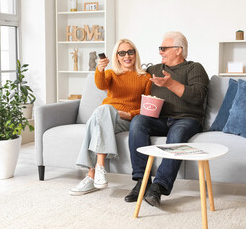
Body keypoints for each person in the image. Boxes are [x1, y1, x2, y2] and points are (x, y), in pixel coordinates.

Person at [124, 31, 209, 207]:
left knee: (177, 134)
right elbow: (131, 81)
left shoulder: (194, 68)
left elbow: (198, 96)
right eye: (160, 48)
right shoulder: (154, 70)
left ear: (178, 50)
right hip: (159, 118)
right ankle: (142, 181)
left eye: (163, 48)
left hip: (186, 118)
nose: (160, 52)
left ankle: (159, 186)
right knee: (138, 121)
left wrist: (170, 83)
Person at [69, 39, 152, 196]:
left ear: (135, 54)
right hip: (106, 116)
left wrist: (130, 114)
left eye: (130, 52)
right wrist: (100, 68)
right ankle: (97, 172)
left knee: (97, 116)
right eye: (122, 53)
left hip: (125, 120)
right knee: (102, 111)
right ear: (117, 56)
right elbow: (100, 84)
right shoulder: (111, 74)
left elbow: (148, 107)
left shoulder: (145, 77)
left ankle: (93, 174)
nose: (127, 56)